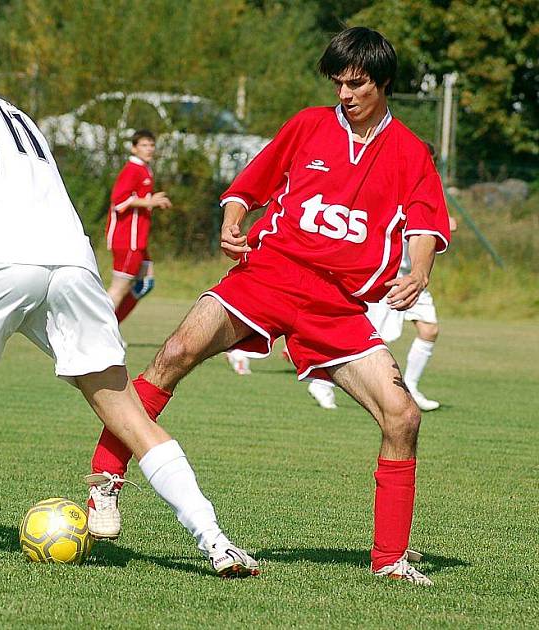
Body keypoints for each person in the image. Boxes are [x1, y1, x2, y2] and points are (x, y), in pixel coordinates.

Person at [0, 35, 258, 578]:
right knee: (128, 416)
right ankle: (218, 542)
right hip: (71, 264)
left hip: (2, 259)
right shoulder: (16, 110)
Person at [86, 27, 451, 586]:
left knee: (402, 415)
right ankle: (105, 481)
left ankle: (391, 560)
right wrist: (233, 223)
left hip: (336, 304)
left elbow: (425, 222)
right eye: (338, 84)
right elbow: (247, 188)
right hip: (270, 273)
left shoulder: (408, 151)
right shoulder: (308, 125)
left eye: (356, 84)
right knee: (176, 351)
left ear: (383, 84)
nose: (345, 94)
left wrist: (419, 269)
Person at [308, 217, 458, 412]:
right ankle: (322, 384)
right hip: (389, 276)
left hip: (413, 278)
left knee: (429, 330)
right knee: (372, 339)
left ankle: (411, 387)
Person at [105, 130, 172, 323]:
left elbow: (138, 199)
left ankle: (112, 327)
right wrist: (149, 202)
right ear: (134, 148)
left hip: (138, 241)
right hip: (127, 238)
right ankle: (97, 331)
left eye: (151, 145)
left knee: (145, 284)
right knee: (118, 289)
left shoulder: (145, 169)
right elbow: (119, 201)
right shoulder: (132, 169)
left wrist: (152, 200)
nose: (149, 149)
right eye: (144, 145)